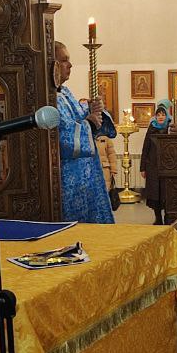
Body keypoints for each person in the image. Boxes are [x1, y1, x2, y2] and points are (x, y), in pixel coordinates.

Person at [52, 41, 114, 224]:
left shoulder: (65, 93)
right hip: (69, 178)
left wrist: (94, 109)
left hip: (87, 175)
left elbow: (80, 117)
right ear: (52, 65)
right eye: (64, 61)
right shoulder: (48, 98)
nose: (70, 65)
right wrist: (89, 122)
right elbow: (63, 136)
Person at [140, 99, 172, 224]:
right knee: (155, 194)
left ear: (167, 115)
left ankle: (167, 217)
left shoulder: (170, 127)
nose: (160, 117)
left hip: (167, 166)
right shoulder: (152, 127)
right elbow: (145, 147)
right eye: (158, 115)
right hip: (152, 166)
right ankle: (158, 218)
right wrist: (142, 167)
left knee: (166, 193)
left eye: (163, 114)